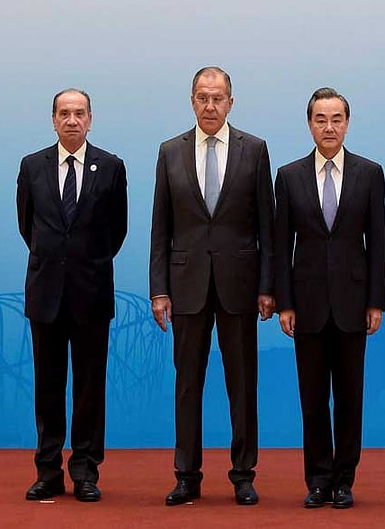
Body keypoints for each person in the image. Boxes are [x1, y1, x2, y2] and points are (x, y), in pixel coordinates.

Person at [149, 66, 275, 506]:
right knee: (188, 384)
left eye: (217, 97)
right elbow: (160, 226)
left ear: (231, 102)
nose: (210, 105)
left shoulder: (255, 150)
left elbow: (267, 225)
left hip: (241, 285)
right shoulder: (170, 152)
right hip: (186, 285)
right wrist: (158, 289)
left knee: (242, 384)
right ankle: (187, 475)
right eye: (202, 97)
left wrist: (267, 286)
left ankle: (243, 474)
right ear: (191, 101)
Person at [274, 88, 385, 509]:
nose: (329, 127)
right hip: (306, 305)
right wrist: (285, 302)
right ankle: (318, 480)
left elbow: (377, 241)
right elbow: (280, 243)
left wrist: (376, 301)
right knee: (313, 398)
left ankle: (344, 480)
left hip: (354, 303)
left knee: (350, 397)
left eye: (336, 118)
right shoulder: (288, 176)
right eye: (321, 119)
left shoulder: (369, 173)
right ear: (309, 125)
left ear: (347, 123)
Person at [17, 88, 128, 503]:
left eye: (79, 113)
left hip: (92, 292)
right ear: (52, 119)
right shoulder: (32, 166)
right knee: (47, 387)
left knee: (89, 387)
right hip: (46, 293)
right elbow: (27, 226)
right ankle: (48, 471)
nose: (72, 121)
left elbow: (117, 230)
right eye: (64, 113)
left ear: (91, 119)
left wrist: (85, 261)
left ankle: (85, 470)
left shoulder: (111, 167)